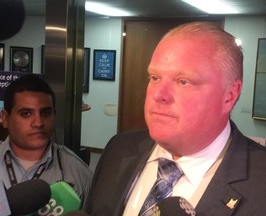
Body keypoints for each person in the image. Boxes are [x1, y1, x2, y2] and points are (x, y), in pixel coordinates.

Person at [83, 21, 266, 215]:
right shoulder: (118, 149)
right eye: (154, 77)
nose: (159, 94)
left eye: (183, 82)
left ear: (229, 95)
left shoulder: (260, 182)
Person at [0, 74, 93, 207]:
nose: (38, 123)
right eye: (26, 113)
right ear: (5, 118)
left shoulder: (77, 172)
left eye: (45, 113)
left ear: (54, 115)